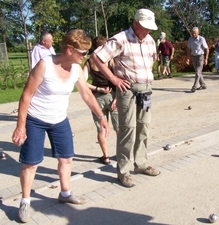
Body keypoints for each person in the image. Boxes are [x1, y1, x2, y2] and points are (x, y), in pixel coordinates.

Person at [12, 29, 110, 223]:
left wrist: (101, 116)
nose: (85, 56)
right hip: (36, 120)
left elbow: (87, 95)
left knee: (66, 158)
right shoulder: (45, 65)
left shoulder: (75, 69)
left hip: (59, 120)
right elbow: (26, 96)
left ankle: (65, 193)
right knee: (31, 163)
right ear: (69, 49)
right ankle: (25, 202)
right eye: (82, 52)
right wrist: (20, 126)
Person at [89, 8, 160, 188]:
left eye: (150, 28)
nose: (148, 31)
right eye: (145, 27)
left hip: (146, 90)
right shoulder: (121, 38)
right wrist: (113, 78)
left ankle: (141, 163)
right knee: (128, 129)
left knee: (144, 127)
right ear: (136, 23)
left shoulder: (150, 40)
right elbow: (96, 57)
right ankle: (124, 171)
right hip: (127, 90)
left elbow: (151, 60)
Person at [83, 36, 119, 164]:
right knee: (118, 128)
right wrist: (116, 99)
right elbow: (118, 79)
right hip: (113, 95)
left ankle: (106, 156)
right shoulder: (110, 61)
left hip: (97, 98)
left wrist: (97, 87)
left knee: (101, 129)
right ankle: (121, 154)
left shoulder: (89, 62)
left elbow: (82, 81)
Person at [186, 27, 209, 92]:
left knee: (198, 72)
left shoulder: (201, 39)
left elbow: (207, 49)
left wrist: (206, 58)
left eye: (195, 33)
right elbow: (188, 49)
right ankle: (203, 85)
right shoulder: (190, 39)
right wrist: (188, 58)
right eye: (193, 33)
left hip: (200, 57)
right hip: (194, 56)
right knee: (197, 72)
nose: (194, 35)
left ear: (198, 33)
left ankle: (194, 86)